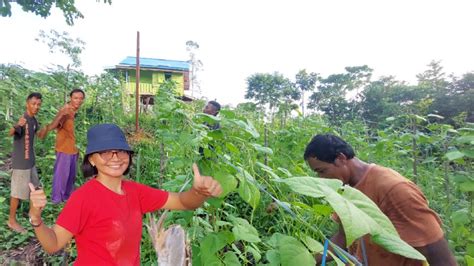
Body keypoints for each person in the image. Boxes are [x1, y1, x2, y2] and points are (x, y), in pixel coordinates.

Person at [28, 123, 222, 264]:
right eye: (105, 152)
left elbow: (183, 202)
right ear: (92, 160)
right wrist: (36, 218)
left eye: (121, 151)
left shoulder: (135, 191)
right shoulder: (84, 197)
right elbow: (53, 244)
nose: (115, 158)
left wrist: (198, 192)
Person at [304, 134, 456, 266]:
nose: (321, 179)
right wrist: (309, 260)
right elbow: (345, 237)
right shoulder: (344, 188)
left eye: (322, 171)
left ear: (341, 158)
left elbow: (435, 250)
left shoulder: (394, 188)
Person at [39, 88, 85, 204]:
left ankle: (66, 198)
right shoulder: (66, 110)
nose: (78, 101)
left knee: (71, 176)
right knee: (61, 175)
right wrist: (59, 117)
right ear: (71, 98)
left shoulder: (75, 111)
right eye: (75, 98)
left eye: (80, 98)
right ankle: (56, 200)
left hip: (73, 149)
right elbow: (55, 125)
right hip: (64, 148)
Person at [7, 92, 44, 233]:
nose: (36, 106)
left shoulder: (34, 120)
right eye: (33, 103)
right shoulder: (23, 119)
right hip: (21, 163)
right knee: (16, 193)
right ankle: (11, 220)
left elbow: (39, 135)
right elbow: (11, 133)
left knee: (35, 188)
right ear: (27, 103)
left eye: (38, 104)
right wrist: (17, 125)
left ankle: (32, 214)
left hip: (31, 162)